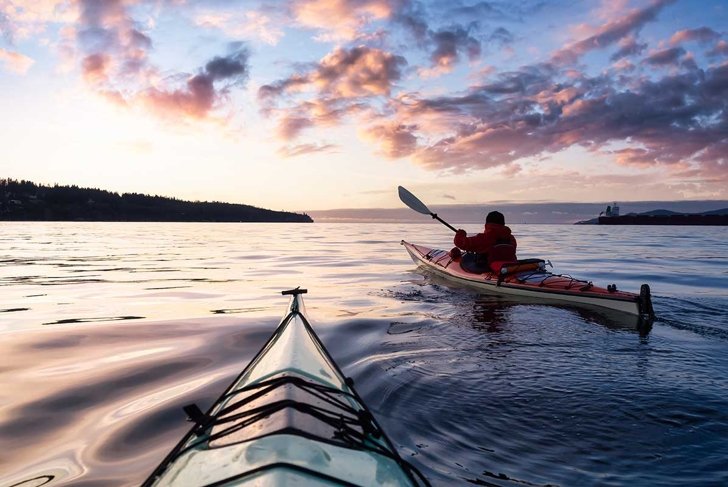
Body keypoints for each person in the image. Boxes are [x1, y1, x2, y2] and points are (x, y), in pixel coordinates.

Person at [452, 211, 517, 273]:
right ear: (503, 224)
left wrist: (460, 234)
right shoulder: (511, 239)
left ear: (487, 224)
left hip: (488, 269)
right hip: (509, 268)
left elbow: (459, 242)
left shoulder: (484, 238)